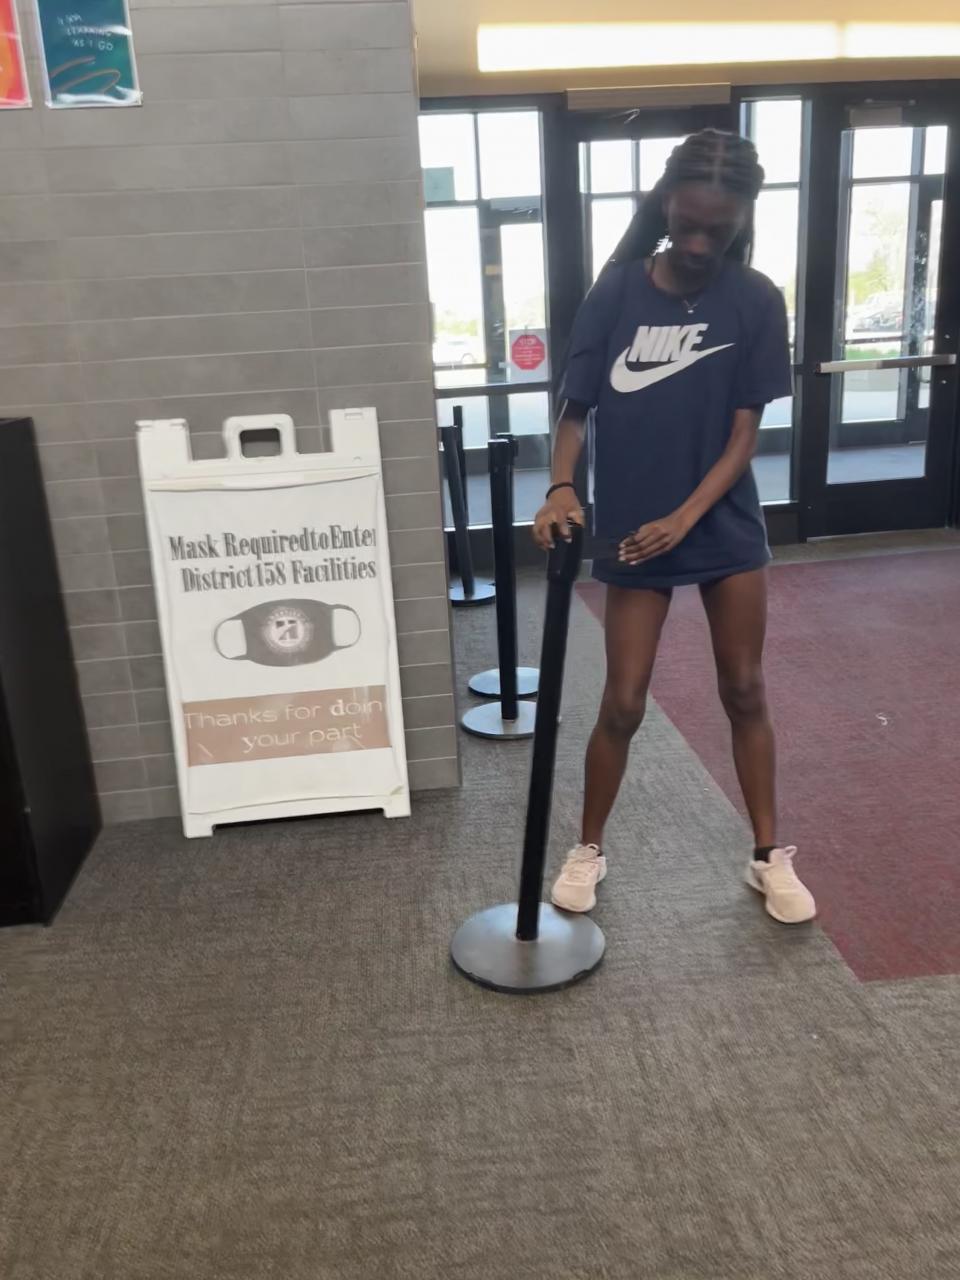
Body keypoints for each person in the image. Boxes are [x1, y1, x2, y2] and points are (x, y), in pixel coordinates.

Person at [533, 129, 815, 926]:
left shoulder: (755, 299)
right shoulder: (617, 292)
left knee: (745, 688)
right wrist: (561, 486)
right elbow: (575, 411)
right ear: (665, 205)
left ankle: (767, 856)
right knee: (623, 701)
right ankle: (588, 847)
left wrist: (685, 517)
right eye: (687, 223)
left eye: (715, 230)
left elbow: (744, 436)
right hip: (633, 526)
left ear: (742, 219)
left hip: (721, 524)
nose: (697, 243)